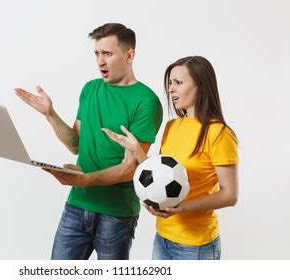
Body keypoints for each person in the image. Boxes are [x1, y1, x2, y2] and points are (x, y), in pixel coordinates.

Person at [14, 23, 162, 260]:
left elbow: (130, 169)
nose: (100, 61)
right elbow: (75, 144)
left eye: (108, 54)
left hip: (117, 213)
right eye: (97, 53)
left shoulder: (146, 102)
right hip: (77, 205)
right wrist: (50, 114)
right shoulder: (90, 89)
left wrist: (84, 179)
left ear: (129, 55)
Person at [103, 56, 239, 260]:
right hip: (163, 238)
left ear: (200, 86)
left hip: (196, 246)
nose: (171, 89)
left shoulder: (219, 134)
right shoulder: (172, 126)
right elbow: (161, 174)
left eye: (178, 83)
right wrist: (136, 149)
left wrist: (183, 208)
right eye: (169, 83)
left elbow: (230, 195)